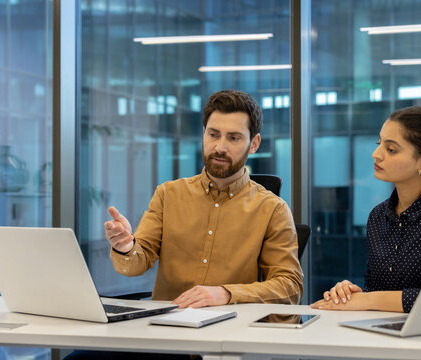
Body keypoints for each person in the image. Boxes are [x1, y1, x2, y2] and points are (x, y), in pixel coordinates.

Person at [65, 90, 302, 359]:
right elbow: (135, 263)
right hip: (162, 334)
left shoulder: (272, 208)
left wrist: (226, 293)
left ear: (254, 143)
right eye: (213, 134)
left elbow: (289, 285)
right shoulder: (168, 194)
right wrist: (126, 246)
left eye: (234, 138)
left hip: (225, 337)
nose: (220, 147)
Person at [311, 106, 421, 313]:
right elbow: (377, 292)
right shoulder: (379, 216)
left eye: (391, 149)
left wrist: (368, 300)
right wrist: (352, 294)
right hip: (388, 333)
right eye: (378, 143)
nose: (376, 154)